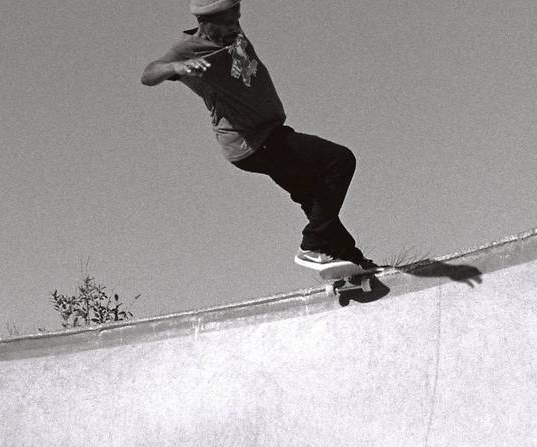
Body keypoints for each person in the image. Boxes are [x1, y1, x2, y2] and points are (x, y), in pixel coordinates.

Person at [141, 0, 376, 269]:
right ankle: (313, 245)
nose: (235, 26)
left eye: (237, 18)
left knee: (312, 196)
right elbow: (148, 74)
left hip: (269, 136)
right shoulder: (188, 49)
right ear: (205, 23)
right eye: (228, 22)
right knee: (340, 160)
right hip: (253, 142)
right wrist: (177, 68)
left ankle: (352, 260)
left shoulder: (232, 28)